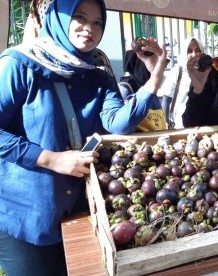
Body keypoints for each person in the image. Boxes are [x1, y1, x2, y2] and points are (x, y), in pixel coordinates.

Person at [0, 0, 167, 275]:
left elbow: (118, 123)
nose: (89, 28)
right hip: (24, 216)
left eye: (98, 22)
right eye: (79, 17)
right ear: (57, 17)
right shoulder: (19, 64)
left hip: (76, 210)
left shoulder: (97, 76)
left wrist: (155, 76)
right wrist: (48, 158)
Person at [160, 37, 204, 129]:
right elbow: (166, 100)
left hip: (203, 123)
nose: (194, 54)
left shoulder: (206, 72)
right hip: (180, 124)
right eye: (189, 51)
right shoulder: (177, 71)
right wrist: (166, 122)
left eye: (197, 50)